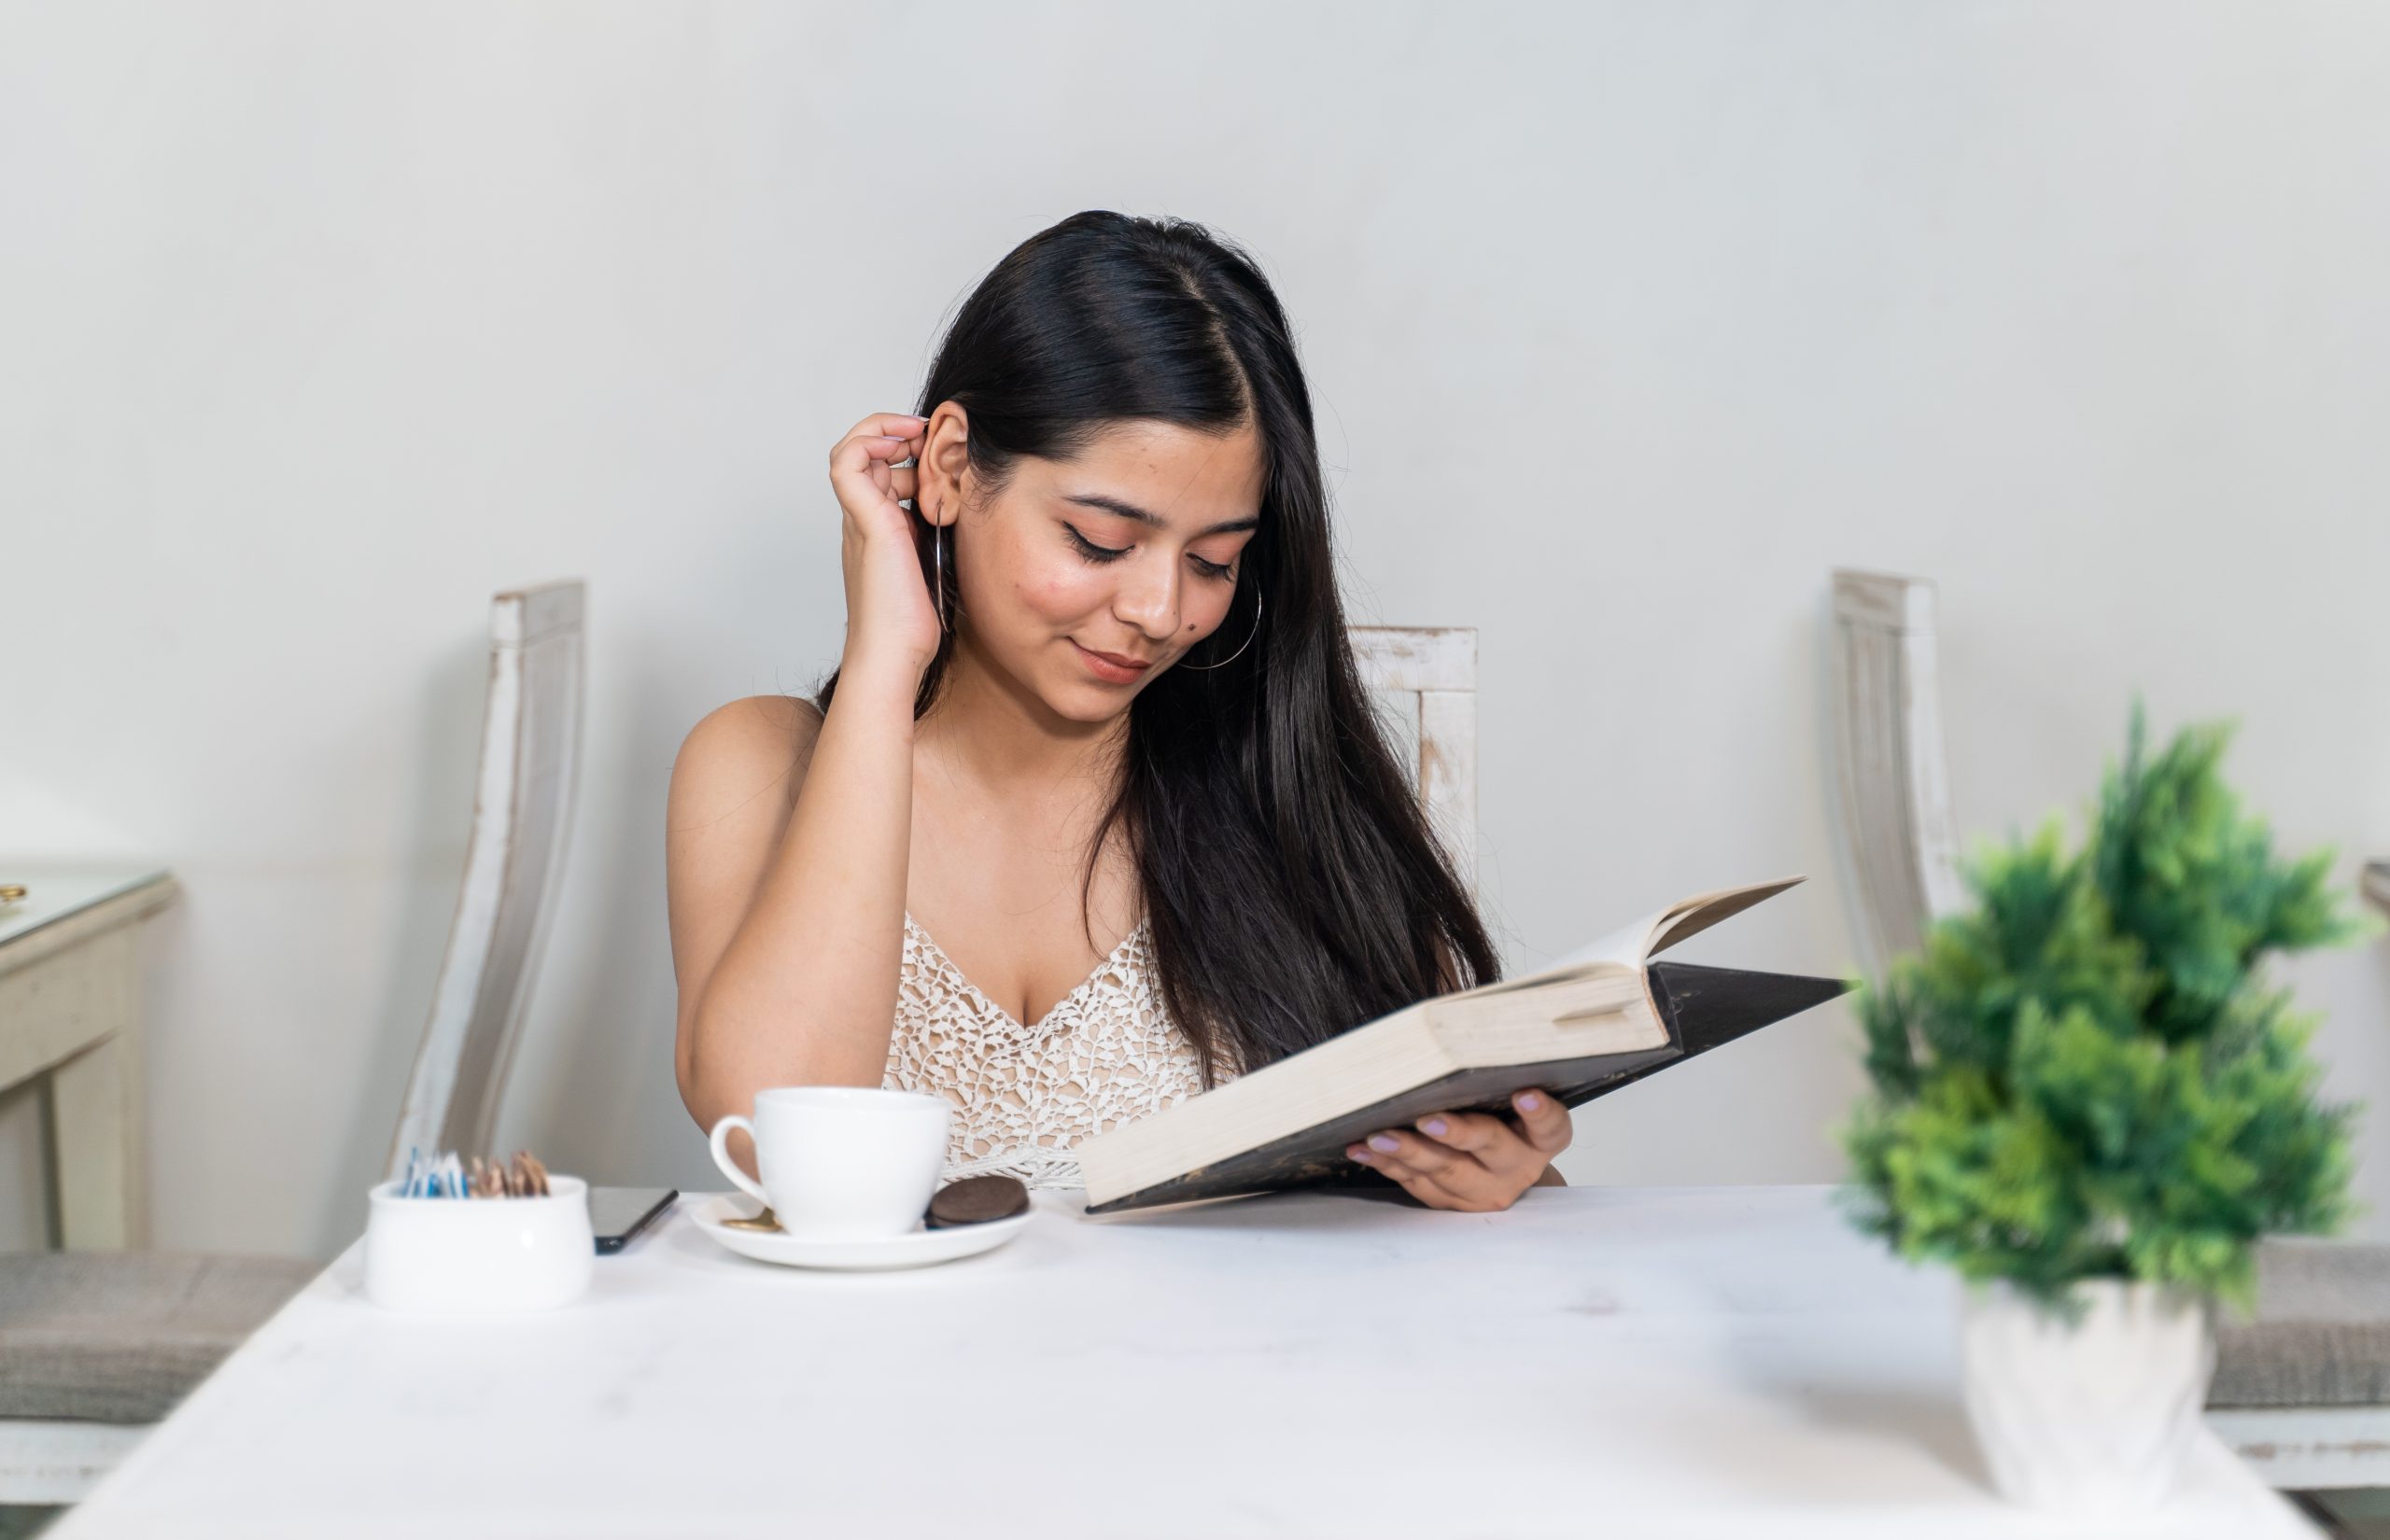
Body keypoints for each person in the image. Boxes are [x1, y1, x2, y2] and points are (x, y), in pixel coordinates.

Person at [666, 210, 1570, 1211]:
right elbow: (771, 1139)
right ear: (954, 466)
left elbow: (1459, 1155)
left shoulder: (1280, 792)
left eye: (1213, 561)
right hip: (874, 1369)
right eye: (1100, 541)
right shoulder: (758, 763)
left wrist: (1496, 1173)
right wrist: (884, 660)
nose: (1159, 612)